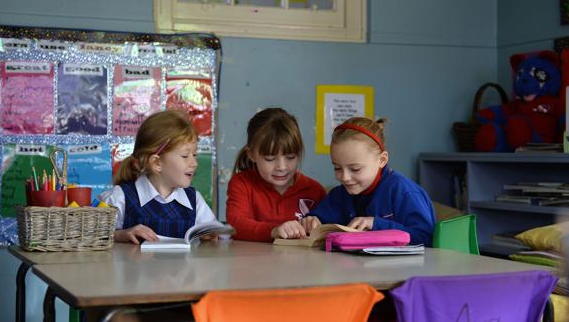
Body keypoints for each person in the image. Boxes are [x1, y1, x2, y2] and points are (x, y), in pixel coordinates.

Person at [302, 117, 435, 246]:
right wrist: (312, 220)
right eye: (337, 168)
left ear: (382, 160)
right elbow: (320, 220)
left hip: (405, 268)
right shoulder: (340, 195)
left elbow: (425, 237)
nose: (344, 177)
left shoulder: (404, 192)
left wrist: (375, 224)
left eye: (355, 169)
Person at [99, 109, 218, 244]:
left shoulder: (194, 200)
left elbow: (214, 236)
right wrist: (121, 235)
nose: (194, 163)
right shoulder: (119, 198)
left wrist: (211, 236)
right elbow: (90, 236)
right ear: (157, 163)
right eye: (185, 156)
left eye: (194, 155)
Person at [226, 107, 327, 242]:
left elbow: (329, 230)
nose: (281, 167)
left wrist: (318, 225)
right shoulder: (242, 184)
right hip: (252, 262)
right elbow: (235, 225)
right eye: (270, 159)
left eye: (290, 157)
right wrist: (273, 231)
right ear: (252, 155)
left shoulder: (314, 190)